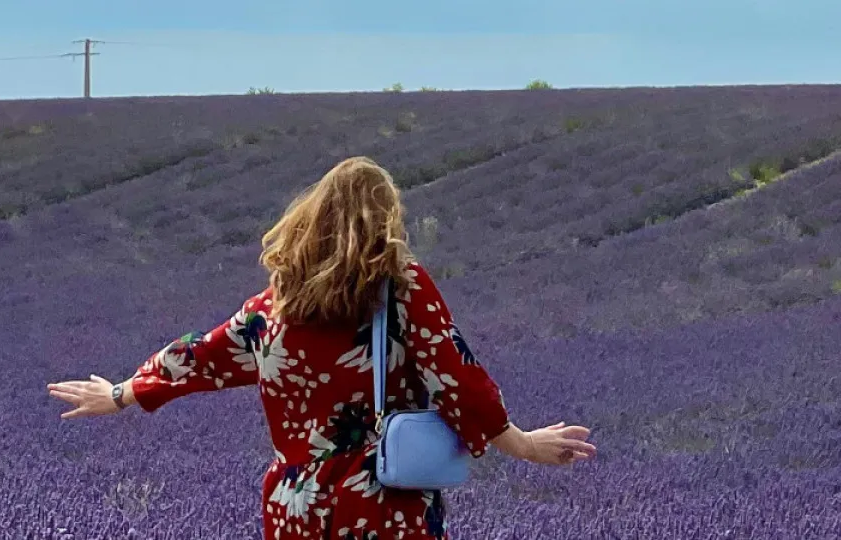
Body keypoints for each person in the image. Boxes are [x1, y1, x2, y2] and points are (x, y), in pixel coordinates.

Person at [47, 156, 597, 540]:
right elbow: (457, 380)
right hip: (380, 502)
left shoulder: (271, 309)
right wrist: (521, 444)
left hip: (294, 507)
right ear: (385, 222)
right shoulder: (402, 290)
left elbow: (199, 356)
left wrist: (121, 393)